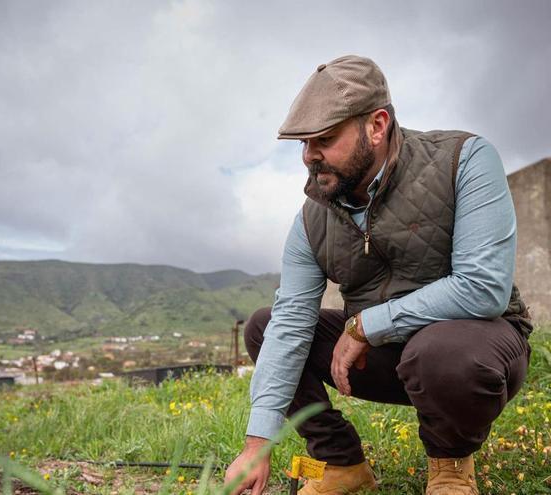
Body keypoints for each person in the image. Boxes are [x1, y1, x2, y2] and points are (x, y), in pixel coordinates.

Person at [224, 55, 532, 495]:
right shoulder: (312, 219)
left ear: (377, 125)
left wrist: (367, 324)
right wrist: (257, 442)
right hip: (382, 360)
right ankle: (341, 464)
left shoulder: (464, 160)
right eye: (303, 144)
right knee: (266, 326)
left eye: (324, 139)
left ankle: (449, 468)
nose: (310, 156)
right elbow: (292, 323)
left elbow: (484, 288)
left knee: (439, 351)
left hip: (471, 352)